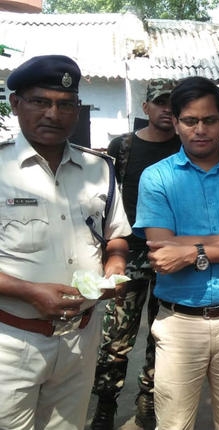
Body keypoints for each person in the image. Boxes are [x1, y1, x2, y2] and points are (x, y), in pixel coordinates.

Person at [132, 76, 219, 429]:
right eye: (190, 121)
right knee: (174, 424)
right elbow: (161, 250)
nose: (200, 130)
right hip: (179, 323)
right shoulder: (157, 177)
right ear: (176, 122)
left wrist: (191, 250)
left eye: (209, 120)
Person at [0, 55, 131, 429]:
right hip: (12, 340)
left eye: (65, 104)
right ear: (16, 103)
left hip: (80, 338)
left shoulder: (99, 169)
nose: (53, 114)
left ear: (77, 109)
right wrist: (29, 292)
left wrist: (115, 267)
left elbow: (116, 235)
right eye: (40, 102)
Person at [91, 79, 180, 430]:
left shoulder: (186, 146)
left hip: (171, 255)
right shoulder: (124, 146)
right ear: (146, 107)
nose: (167, 109)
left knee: (163, 334)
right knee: (116, 338)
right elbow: (106, 198)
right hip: (128, 254)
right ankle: (106, 404)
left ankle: (148, 397)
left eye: (173, 103)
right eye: (160, 102)